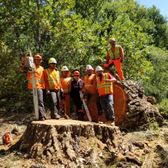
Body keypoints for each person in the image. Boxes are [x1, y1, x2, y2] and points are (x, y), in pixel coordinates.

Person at [27, 53, 46, 121]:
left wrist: (44, 86)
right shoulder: (31, 66)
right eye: (36, 59)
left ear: (41, 60)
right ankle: (39, 115)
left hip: (40, 86)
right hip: (33, 87)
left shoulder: (42, 68)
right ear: (34, 60)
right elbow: (24, 68)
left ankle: (42, 115)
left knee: (40, 101)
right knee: (35, 102)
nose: (38, 60)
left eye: (39, 59)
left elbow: (43, 78)